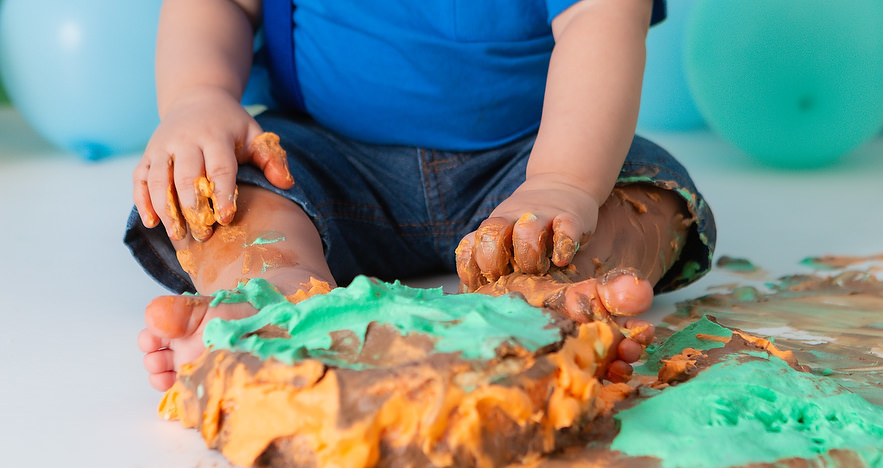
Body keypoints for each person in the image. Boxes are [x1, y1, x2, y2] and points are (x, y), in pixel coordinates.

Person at [126, 0, 716, 392]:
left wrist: (564, 182)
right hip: (323, 159)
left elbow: (601, 16)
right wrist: (199, 96)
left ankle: (550, 296)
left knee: (645, 193)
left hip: (529, 160)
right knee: (225, 192)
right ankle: (272, 298)